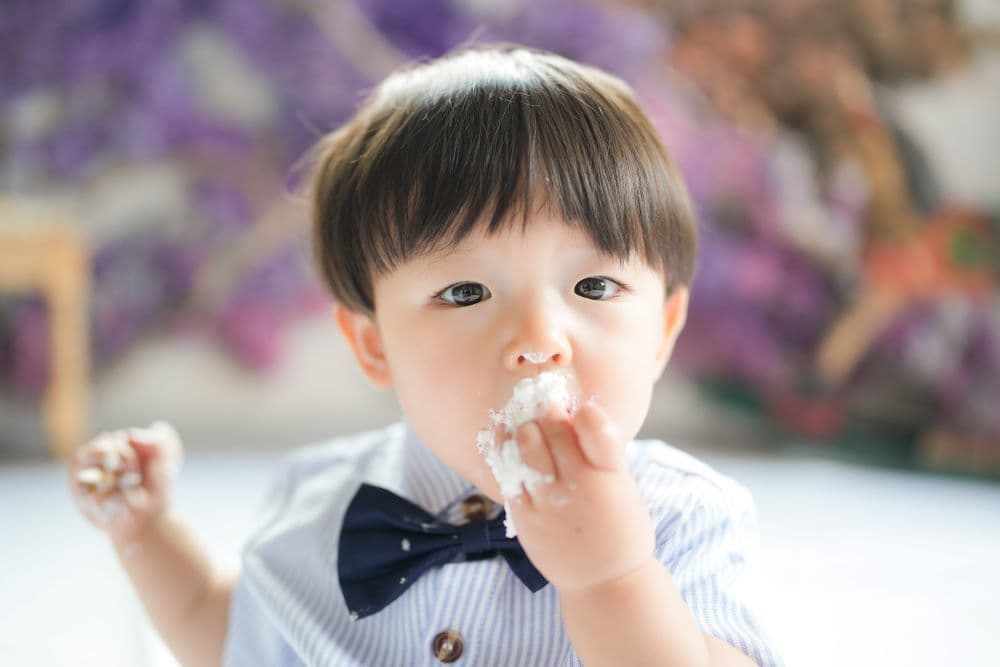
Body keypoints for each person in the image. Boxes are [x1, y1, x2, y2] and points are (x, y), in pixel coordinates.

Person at [69, 46, 782, 666]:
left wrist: (612, 576)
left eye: (593, 285)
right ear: (375, 344)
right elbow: (234, 639)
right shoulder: (324, 503)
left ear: (662, 328)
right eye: (466, 290)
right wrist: (144, 533)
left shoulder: (687, 518)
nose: (538, 338)